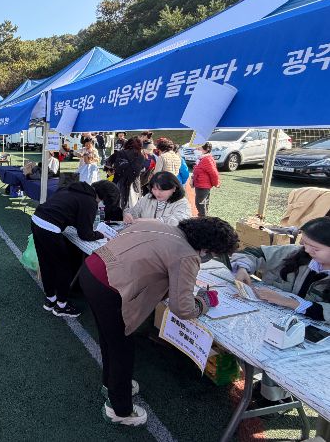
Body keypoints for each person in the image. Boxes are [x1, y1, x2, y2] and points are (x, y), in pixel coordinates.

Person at [80, 217, 237, 426]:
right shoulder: (187, 255)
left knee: (110, 340)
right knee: (122, 351)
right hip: (109, 288)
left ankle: (112, 384)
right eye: (216, 254)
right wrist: (205, 301)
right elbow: (183, 308)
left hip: (90, 271)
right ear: (208, 248)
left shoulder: (156, 225)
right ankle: (119, 409)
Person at [31, 179, 122, 318]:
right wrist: (101, 234)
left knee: (46, 263)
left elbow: (65, 210)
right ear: (104, 198)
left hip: (37, 219)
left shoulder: (73, 187)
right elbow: (85, 235)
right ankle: (61, 306)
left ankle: (50, 299)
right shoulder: (90, 201)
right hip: (50, 228)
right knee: (64, 268)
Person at [232, 217, 330, 322]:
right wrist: (243, 268)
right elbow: (252, 253)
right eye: (305, 243)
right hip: (269, 318)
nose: (307, 250)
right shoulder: (294, 253)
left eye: (315, 249)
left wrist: (288, 302)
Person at [123, 171, 191, 226]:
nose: (157, 193)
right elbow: (135, 210)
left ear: (174, 188)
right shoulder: (148, 198)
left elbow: (180, 220)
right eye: (154, 189)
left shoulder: (182, 203)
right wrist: (128, 214)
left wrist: (153, 221)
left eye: (162, 190)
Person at [108, 137, 145, 210]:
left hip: (119, 181)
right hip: (134, 183)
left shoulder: (120, 153)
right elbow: (139, 171)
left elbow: (109, 163)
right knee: (133, 206)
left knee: (118, 205)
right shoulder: (141, 156)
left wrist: (111, 171)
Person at [192, 142, 220, 217]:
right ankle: (202, 217)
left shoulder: (206, 159)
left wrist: (216, 183)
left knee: (201, 204)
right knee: (200, 203)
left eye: (199, 148)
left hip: (203, 186)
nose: (196, 149)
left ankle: (203, 219)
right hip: (199, 184)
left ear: (206, 149)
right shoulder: (201, 159)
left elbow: (214, 173)